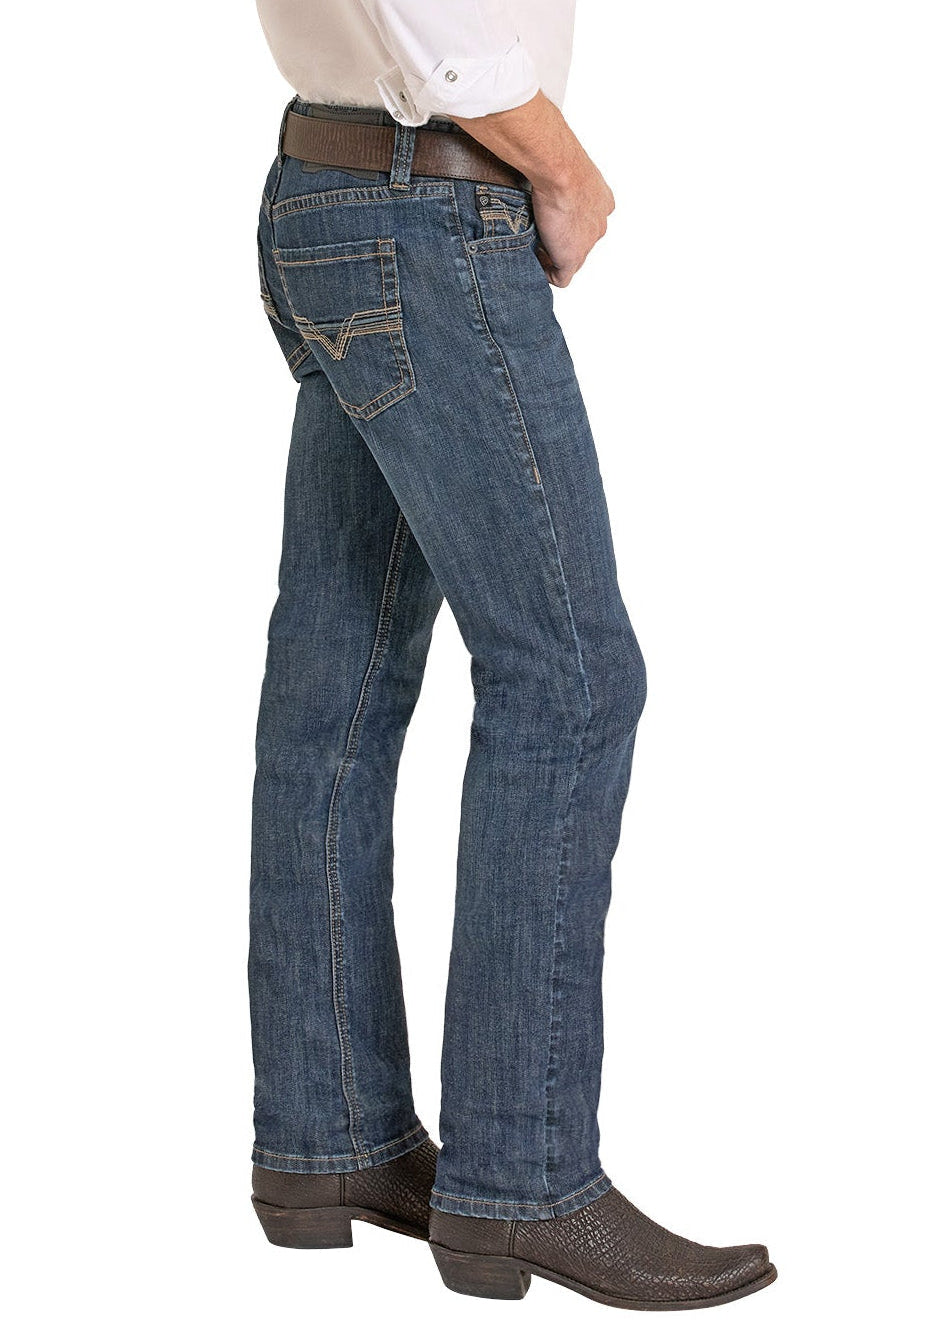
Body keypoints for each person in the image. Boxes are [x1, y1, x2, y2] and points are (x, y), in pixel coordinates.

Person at [248, 1, 776, 1309]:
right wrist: (558, 162)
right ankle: (521, 1180)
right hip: (431, 205)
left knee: (337, 699)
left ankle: (331, 1144)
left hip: (330, 190)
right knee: (569, 681)